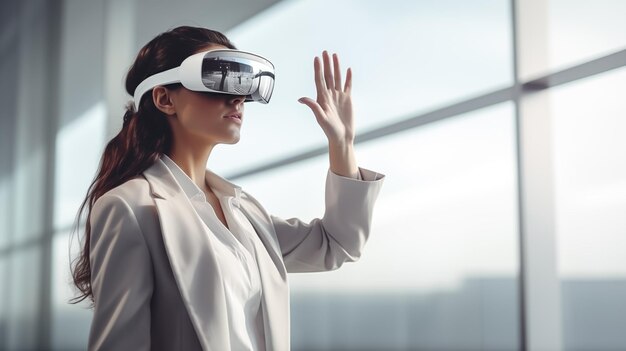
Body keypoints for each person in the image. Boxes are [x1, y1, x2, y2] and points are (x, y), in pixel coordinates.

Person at [69, 26, 384, 351]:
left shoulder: (244, 211)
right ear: (164, 99)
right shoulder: (127, 208)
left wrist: (342, 143)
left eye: (241, 83)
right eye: (217, 79)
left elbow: (338, 244)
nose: (238, 98)